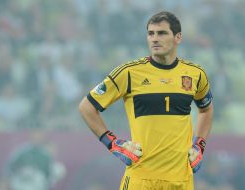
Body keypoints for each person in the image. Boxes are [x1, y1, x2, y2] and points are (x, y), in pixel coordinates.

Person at [78, 11, 213, 190]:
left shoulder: (195, 74)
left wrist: (199, 145)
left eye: (162, 33)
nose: (155, 39)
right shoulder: (129, 73)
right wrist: (112, 143)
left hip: (181, 181)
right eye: (151, 33)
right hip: (141, 180)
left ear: (178, 37)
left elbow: (206, 109)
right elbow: (86, 107)